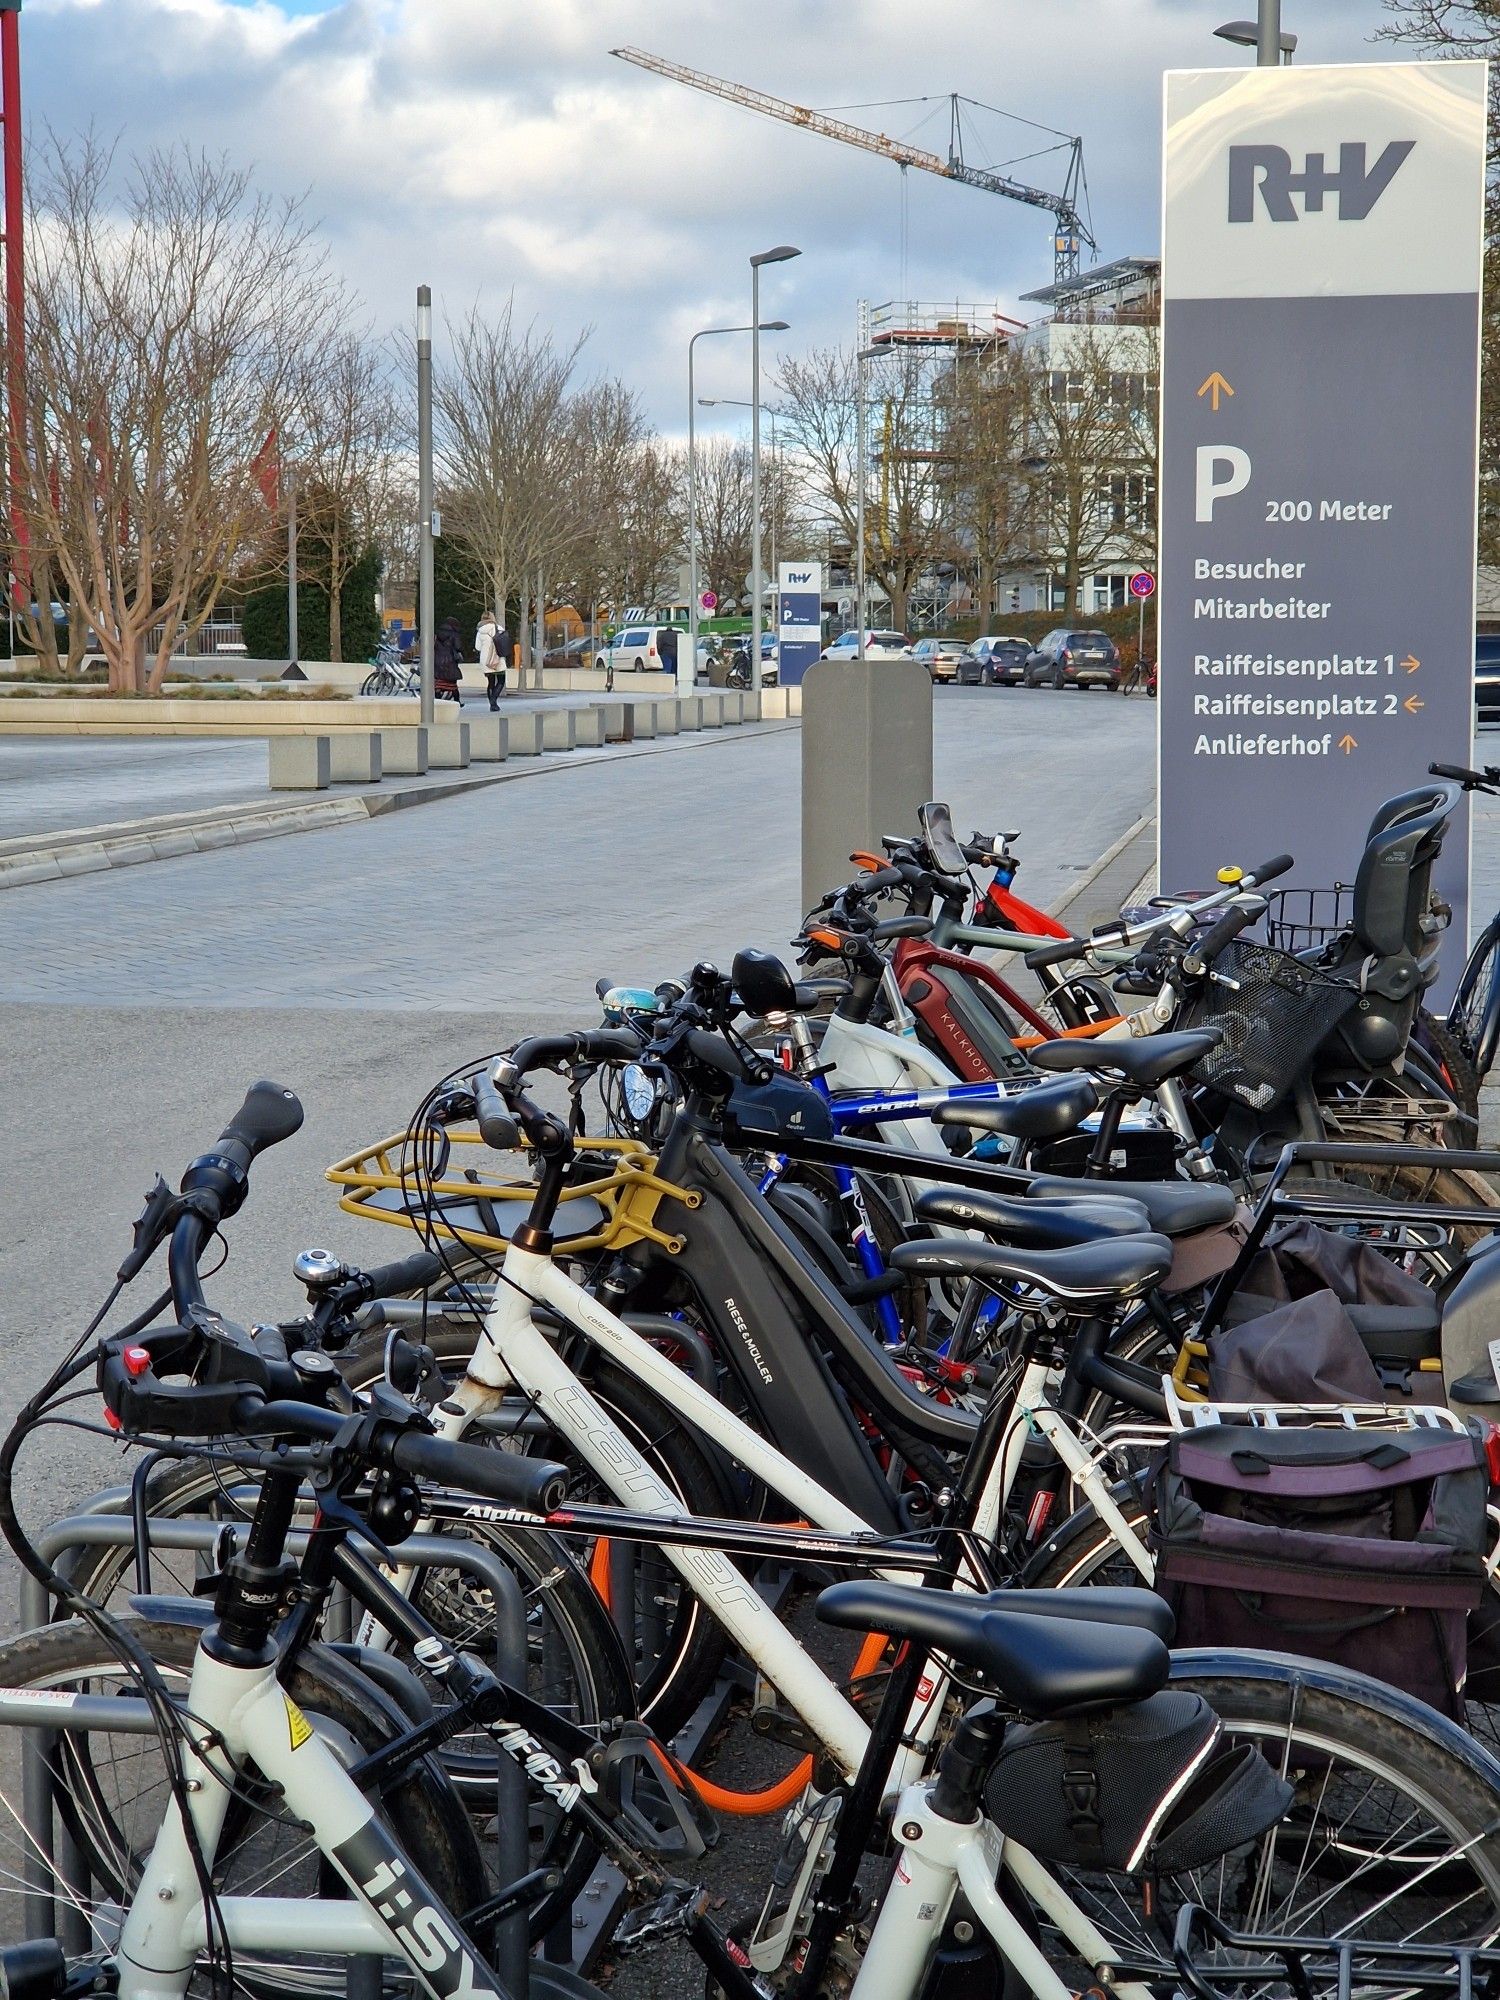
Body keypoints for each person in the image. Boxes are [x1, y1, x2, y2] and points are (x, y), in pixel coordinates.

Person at [478, 611, 512, 708]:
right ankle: (494, 700)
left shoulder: (480, 631)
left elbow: (478, 647)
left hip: (486, 660)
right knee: (501, 681)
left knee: (491, 682)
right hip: (498, 658)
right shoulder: (498, 628)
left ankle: (492, 703)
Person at [434, 617, 464, 704]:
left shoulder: (437, 632)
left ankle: (438, 701)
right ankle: (457, 701)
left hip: (437, 660)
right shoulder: (454, 634)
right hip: (450, 661)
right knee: (453, 684)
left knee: (439, 683)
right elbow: (458, 647)